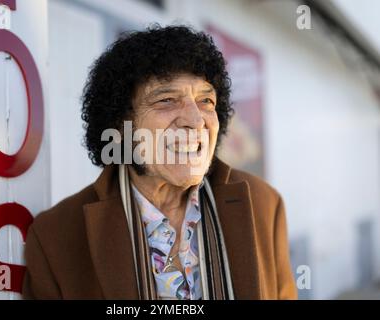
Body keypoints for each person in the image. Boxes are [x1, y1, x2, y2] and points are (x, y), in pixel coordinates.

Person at [22, 25, 297, 300]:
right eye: (166, 100)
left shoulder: (264, 204)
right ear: (120, 124)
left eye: (206, 100)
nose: (195, 120)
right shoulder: (55, 238)